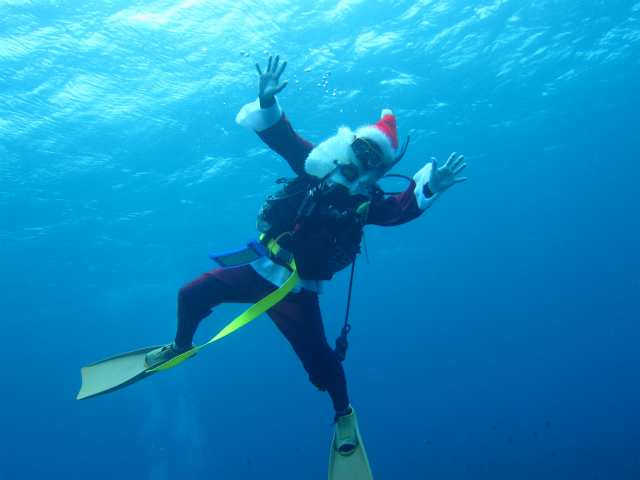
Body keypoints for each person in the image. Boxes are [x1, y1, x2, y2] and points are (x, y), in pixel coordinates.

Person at [144, 55, 467, 436]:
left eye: (374, 159)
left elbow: (400, 209)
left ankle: (344, 413)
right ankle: (181, 346)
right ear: (350, 144)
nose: (362, 160)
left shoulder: (367, 203)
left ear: (379, 170)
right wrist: (267, 100)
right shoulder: (317, 164)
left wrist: (431, 186)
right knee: (190, 295)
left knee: (321, 364)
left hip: (297, 292)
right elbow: (285, 139)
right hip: (259, 266)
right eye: (362, 148)